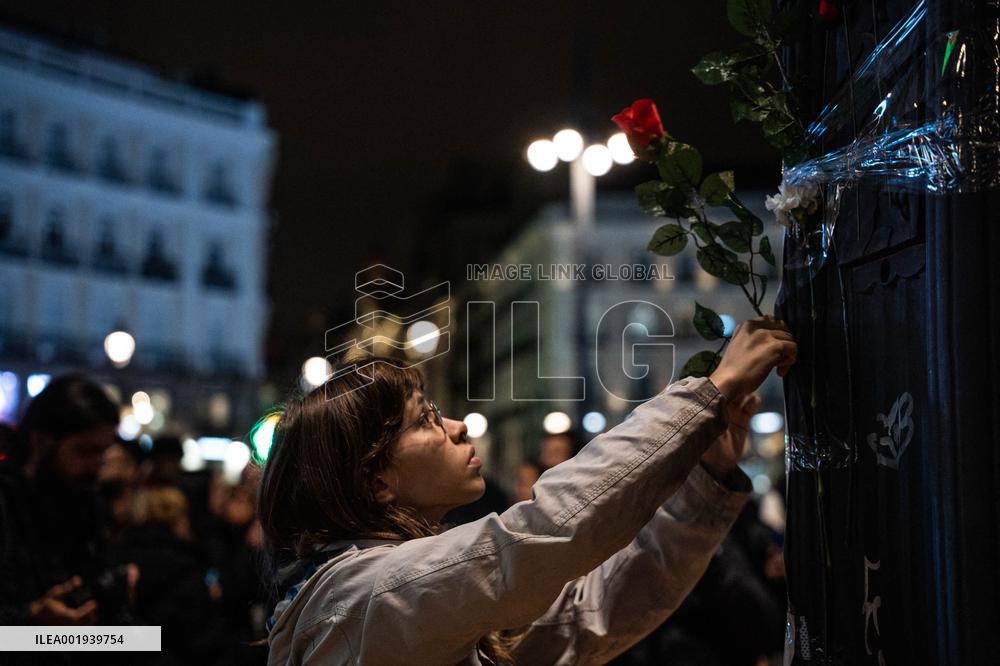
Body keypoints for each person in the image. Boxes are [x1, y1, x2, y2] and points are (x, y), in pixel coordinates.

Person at [258, 318, 796, 665]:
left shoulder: (386, 593)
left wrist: (707, 475)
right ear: (376, 482)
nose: (457, 428)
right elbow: (543, 531)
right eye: (425, 420)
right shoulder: (367, 596)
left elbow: (588, 617)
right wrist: (710, 391)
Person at [0, 375, 136, 629]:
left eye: (103, 452)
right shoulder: (7, 504)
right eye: (85, 451)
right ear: (40, 441)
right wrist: (29, 623)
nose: (97, 466)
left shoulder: (85, 502)